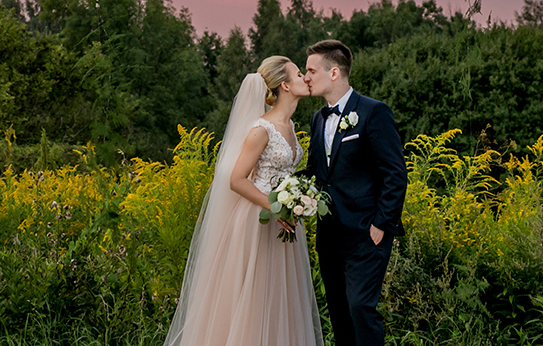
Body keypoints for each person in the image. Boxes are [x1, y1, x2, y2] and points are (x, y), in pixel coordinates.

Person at [164, 56, 323, 346]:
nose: (306, 78)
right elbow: (236, 179)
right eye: (300, 74)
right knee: (255, 300)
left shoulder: (289, 125)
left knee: (280, 300)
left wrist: (297, 201)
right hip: (258, 222)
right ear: (285, 85)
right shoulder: (261, 129)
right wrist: (275, 206)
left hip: (284, 222)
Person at [303, 40, 407, 346]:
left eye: (311, 70)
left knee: (361, 308)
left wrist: (381, 224)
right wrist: (287, 193)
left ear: (334, 72)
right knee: (339, 313)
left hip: (366, 234)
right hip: (329, 236)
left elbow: (395, 174)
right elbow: (315, 172)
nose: (306, 76)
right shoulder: (318, 118)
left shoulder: (374, 112)